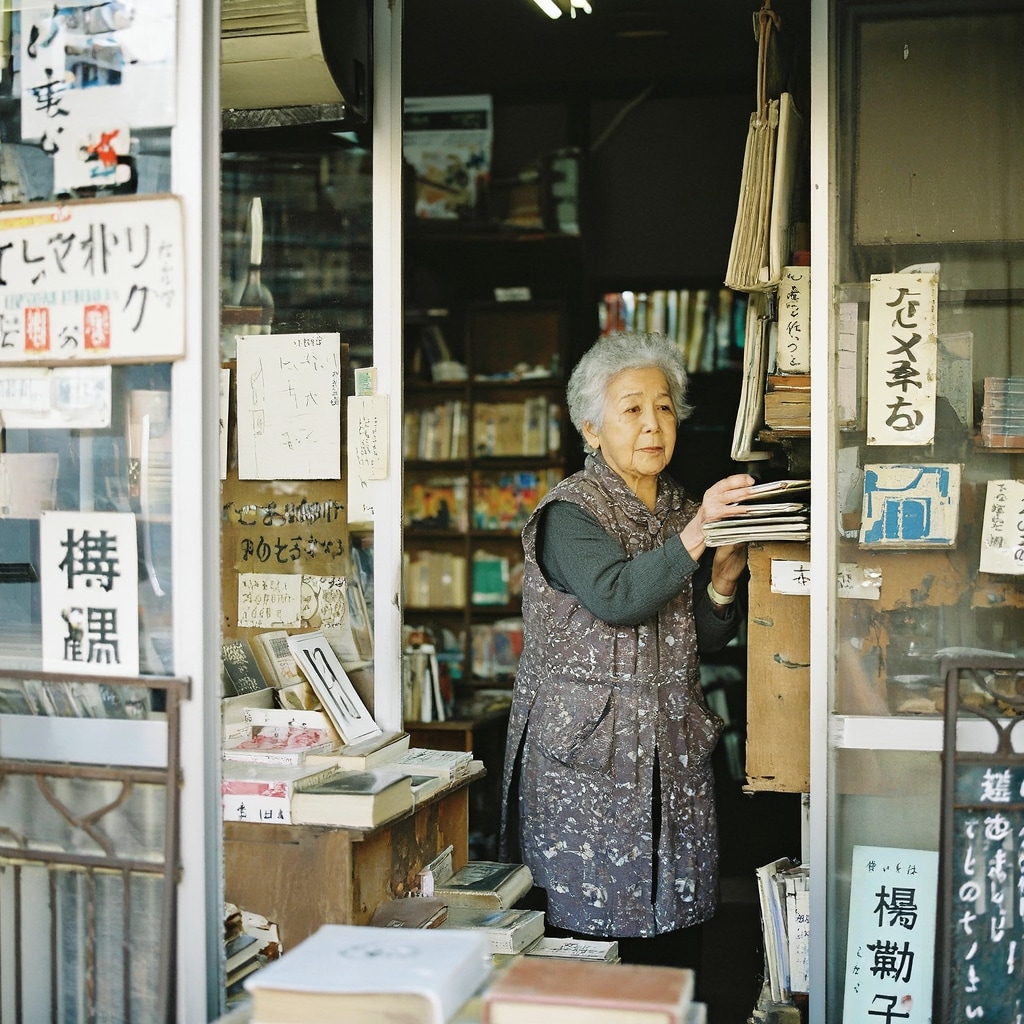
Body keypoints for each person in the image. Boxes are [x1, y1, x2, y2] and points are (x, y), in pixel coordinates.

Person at [500, 330, 754, 970]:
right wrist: (700, 536)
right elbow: (618, 597)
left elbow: (702, 635)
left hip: (671, 746)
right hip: (588, 755)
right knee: (591, 942)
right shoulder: (570, 514)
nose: (652, 424)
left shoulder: (678, 507)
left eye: (664, 407)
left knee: (676, 933)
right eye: (632, 409)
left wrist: (723, 579)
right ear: (592, 428)